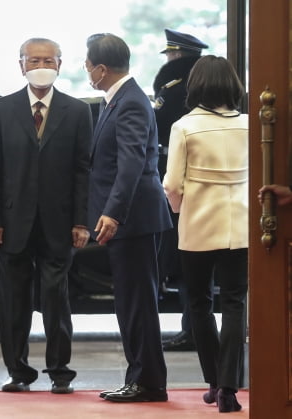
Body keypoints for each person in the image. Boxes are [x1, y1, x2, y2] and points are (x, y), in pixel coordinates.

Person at [0, 37, 93, 394]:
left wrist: (81, 220)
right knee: (12, 301)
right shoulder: (3, 109)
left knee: (55, 298)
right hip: (13, 222)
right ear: (21, 65)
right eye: (34, 60)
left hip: (59, 223)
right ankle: (18, 371)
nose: (41, 65)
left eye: (48, 59)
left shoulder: (77, 111)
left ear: (60, 64)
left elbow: (82, 171)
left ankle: (60, 371)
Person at [84, 33, 172, 403]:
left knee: (137, 303)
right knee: (131, 301)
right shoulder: (119, 99)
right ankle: (143, 377)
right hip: (132, 219)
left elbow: (131, 163)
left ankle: (147, 382)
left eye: (88, 65)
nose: (86, 71)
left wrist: (113, 213)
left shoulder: (131, 102)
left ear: (102, 69)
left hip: (134, 218)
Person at [163, 55, 248, 413]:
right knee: (234, 303)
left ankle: (213, 381)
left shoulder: (184, 126)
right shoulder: (248, 125)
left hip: (198, 223)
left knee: (198, 302)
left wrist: (182, 210)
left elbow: (171, 184)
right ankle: (229, 388)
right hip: (239, 224)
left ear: (195, 86)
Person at [154, 29, 208, 352]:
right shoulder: (204, 88)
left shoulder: (175, 90)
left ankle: (192, 329)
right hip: (199, 182)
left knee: (187, 259)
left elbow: (158, 127)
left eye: (172, 55)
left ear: (178, 56)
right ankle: (193, 327)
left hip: (179, 182)